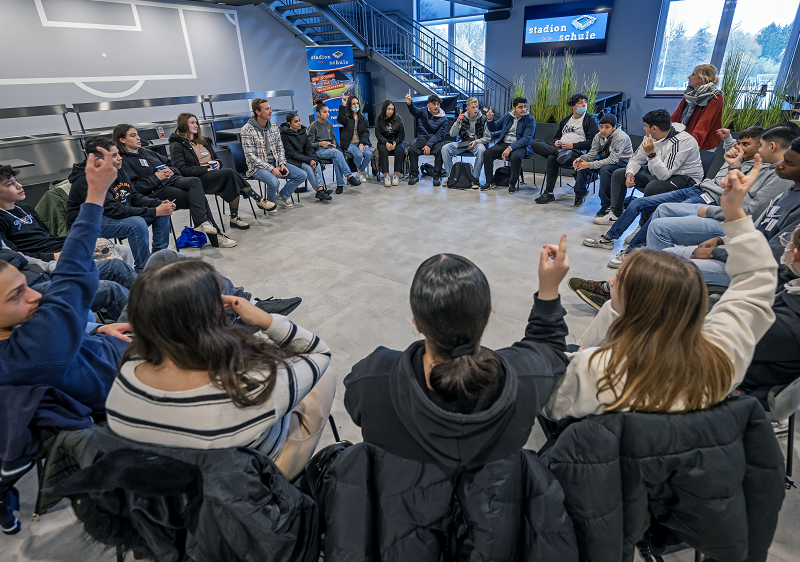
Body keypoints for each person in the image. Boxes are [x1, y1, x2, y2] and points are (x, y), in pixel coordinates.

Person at [543, 161, 777, 420]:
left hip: (607, 442)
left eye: (619, 281)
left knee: (561, 354)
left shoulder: (598, 371)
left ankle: (575, 351)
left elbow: (550, 406)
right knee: (609, 309)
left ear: (643, 306)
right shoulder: (721, 357)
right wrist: (735, 215)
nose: (610, 282)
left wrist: (547, 293)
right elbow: (757, 280)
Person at [344, 238, 571, 468]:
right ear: (488, 312)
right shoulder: (523, 376)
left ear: (417, 324)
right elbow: (550, 347)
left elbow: (355, 406)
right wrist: (548, 288)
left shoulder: (372, 378)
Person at [104, 258, 336, 481]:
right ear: (213, 318)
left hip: (173, 487)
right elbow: (318, 353)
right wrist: (266, 320)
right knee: (325, 375)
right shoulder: (250, 385)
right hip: (249, 480)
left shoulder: (126, 373)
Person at [0, 146, 134, 411]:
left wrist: (94, 330)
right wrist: (95, 194)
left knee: (160, 262)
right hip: (133, 381)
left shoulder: (30, 331)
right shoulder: (34, 347)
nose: (35, 296)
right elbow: (72, 276)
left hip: (106, 345)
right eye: (16, 295)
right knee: (122, 279)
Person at [581, 126, 777, 269]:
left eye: (745, 144)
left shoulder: (760, 170)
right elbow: (730, 146)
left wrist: (651, 155)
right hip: (698, 189)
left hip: (709, 199)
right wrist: (728, 139)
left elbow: (746, 204)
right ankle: (609, 237)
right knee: (640, 202)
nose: (739, 147)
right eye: (738, 143)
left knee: (662, 214)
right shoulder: (737, 153)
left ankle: (631, 251)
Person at [662, 136, 800, 287]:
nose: (779, 165)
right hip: (740, 250)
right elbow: (757, 229)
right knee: (662, 257)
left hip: (756, 273)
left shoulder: (788, 195)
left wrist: (717, 252)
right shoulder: (788, 192)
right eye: (783, 159)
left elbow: (771, 255)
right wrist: (721, 240)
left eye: (789, 163)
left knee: (666, 268)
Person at [646, 122, 798, 251]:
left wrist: (711, 212)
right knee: (663, 209)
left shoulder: (780, 175)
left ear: (772, 147)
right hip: (725, 211)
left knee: (659, 228)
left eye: (761, 146)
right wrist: (734, 167)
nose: (758, 150)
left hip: (732, 223)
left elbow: (750, 215)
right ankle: (653, 256)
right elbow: (735, 196)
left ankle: (659, 274)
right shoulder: (772, 168)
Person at [115, 124, 236, 248]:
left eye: (138, 135)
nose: (139, 138)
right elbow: (134, 189)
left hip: (172, 181)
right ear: (122, 139)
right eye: (133, 135)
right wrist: (156, 178)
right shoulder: (122, 162)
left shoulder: (147, 153)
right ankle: (213, 233)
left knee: (195, 183)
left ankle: (203, 223)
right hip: (155, 192)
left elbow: (172, 165)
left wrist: (172, 171)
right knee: (197, 198)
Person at [67, 137, 175, 273]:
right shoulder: (87, 179)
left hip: (110, 215)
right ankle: (145, 271)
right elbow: (115, 211)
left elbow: (134, 197)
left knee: (163, 212)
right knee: (137, 224)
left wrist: (158, 204)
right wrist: (154, 211)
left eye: (118, 153)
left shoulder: (117, 169)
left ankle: (158, 261)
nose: (120, 157)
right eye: (114, 155)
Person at [169, 112, 275, 230]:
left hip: (215, 175)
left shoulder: (204, 141)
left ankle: (235, 218)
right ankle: (258, 199)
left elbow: (216, 158)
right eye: (192, 123)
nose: (196, 125)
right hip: (197, 180)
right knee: (230, 174)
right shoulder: (177, 145)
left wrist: (218, 163)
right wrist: (206, 169)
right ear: (184, 125)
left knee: (231, 181)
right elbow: (182, 170)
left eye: (196, 123)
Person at [599, 109, 704, 226]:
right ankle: (616, 214)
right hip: (659, 172)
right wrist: (630, 174)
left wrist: (651, 154)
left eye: (645, 126)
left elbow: (664, 175)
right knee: (619, 174)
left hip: (685, 178)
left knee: (653, 187)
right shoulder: (650, 137)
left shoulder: (683, 141)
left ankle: (643, 226)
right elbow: (636, 159)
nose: (643, 128)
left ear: (654, 128)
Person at [240, 98, 307, 211]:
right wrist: (271, 169)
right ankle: (271, 205)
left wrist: (281, 163)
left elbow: (280, 147)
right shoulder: (247, 130)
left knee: (302, 175)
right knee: (274, 182)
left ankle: (281, 197)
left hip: (275, 162)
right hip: (257, 167)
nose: (270, 111)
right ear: (258, 112)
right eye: (267, 109)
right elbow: (250, 156)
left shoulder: (274, 127)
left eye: (270, 108)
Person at [533, 93, 599, 203]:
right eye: (580, 103)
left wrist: (572, 146)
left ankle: (549, 193)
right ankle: (558, 151)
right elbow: (557, 136)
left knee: (551, 158)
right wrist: (556, 142)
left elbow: (592, 142)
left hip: (576, 152)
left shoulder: (590, 120)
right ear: (573, 106)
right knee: (534, 143)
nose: (584, 105)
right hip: (562, 151)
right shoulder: (566, 120)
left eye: (585, 102)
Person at [571, 114, 633, 210]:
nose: (603, 130)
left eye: (607, 127)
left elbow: (613, 160)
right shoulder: (598, 136)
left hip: (622, 164)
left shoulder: (620, 137)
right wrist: (581, 159)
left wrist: (589, 164)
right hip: (606, 160)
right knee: (582, 166)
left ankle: (606, 204)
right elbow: (592, 153)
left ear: (614, 127)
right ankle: (580, 194)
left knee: (604, 170)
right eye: (601, 127)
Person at [484, 97, 536, 193]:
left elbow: (526, 139)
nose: (523, 109)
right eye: (520, 107)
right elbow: (494, 128)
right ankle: (489, 181)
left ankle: (512, 183)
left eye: (525, 107)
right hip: (505, 143)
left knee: (516, 156)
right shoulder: (507, 116)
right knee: (487, 153)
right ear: (514, 108)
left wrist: (510, 148)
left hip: (521, 145)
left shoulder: (529, 119)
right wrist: (490, 119)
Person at [308, 102, 360, 195]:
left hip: (330, 149)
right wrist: (320, 143)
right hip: (319, 151)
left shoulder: (329, 124)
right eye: (324, 112)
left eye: (328, 112)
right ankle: (349, 176)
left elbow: (333, 139)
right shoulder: (313, 126)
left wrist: (333, 144)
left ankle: (340, 185)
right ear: (318, 114)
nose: (327, 114)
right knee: (336, 153)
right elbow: (309, 145)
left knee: (336, 157)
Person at [279, 113, 332, 202]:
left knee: (317, 164)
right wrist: (308, 160)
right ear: (289, 123)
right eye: (296, 121)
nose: (299, 123)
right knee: (307, 167)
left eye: (299, 120)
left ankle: (320, 189)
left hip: (304, 158)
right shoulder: (284, 135)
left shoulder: (303, 132)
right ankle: (319, 190)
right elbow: (292, 153)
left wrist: (313, 160)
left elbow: (308, 148)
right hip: (292, 160)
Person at [671, 64, 724, 151]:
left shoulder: (715, 96)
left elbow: (704, 124)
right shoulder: (689, 93)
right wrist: (664, 131)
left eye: (693, 74)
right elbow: (676, 115)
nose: (689, 77)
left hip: (702, 144)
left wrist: (693, 145)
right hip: (684, 138)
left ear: (702, 79)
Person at [441, 97, 490, 189]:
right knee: (445, 148)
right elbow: (452, 134)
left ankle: (475, 179)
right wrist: (458, 121)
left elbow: (488, 137)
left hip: (477, 143)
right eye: (473, 107)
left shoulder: (483, 119)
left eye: (477, 107)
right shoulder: (462, 118)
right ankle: (451, 176)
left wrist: (476, 141)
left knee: (482, 150)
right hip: (463, 143)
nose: (476, 109)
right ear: (467, 109)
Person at [404, 91, 448, 186]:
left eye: (438, 104)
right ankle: (415, 175)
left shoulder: (443, 119)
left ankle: (436, 176)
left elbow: (439, 135)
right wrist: (409, 103)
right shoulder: (423, 111)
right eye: (433, 104)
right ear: (428, 105)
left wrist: (429, 144)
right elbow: (414, 111)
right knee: (412, 150)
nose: (436, 106)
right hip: (422, 139)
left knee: (440, 150)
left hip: (435, 141)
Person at [337, 94, 373, 183]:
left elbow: (366, 132)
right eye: (353, 104)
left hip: (361, 142)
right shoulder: (347, 117)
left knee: (368, 154)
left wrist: (362, 143)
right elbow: (340, 119)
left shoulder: (363, 117)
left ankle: (360, 171)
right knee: (359, 155)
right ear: (350, 105)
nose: (356, 106)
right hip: (350, 143)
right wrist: (343, 105)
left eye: (357, 103)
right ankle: (362, 171)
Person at [374, 100, 406, 187]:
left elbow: (402, 134)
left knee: (399, 150)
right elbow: (377, 133)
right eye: (388, 109)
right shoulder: (378, 118)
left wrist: (396, 142)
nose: (390, 111)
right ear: (384, 109)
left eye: (392, 109)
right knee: (383, 150)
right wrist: (386, 142)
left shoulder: (398, 118)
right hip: (384, 141)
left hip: (397, 140)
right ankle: (387, 176)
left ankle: (396, 175)